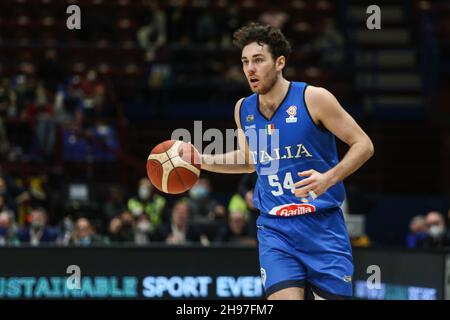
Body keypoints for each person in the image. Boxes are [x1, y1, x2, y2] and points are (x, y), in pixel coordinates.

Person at [200, 22, 374, 300]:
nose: (250, 69)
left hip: (322, 227)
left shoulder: (314, 98)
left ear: (279, 62)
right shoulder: (243, 109)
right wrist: (200, 159)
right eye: (245, 62)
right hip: (275, 230)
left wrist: (329, 177)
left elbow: (363, 144)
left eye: (258, 60)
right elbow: (250, 160)